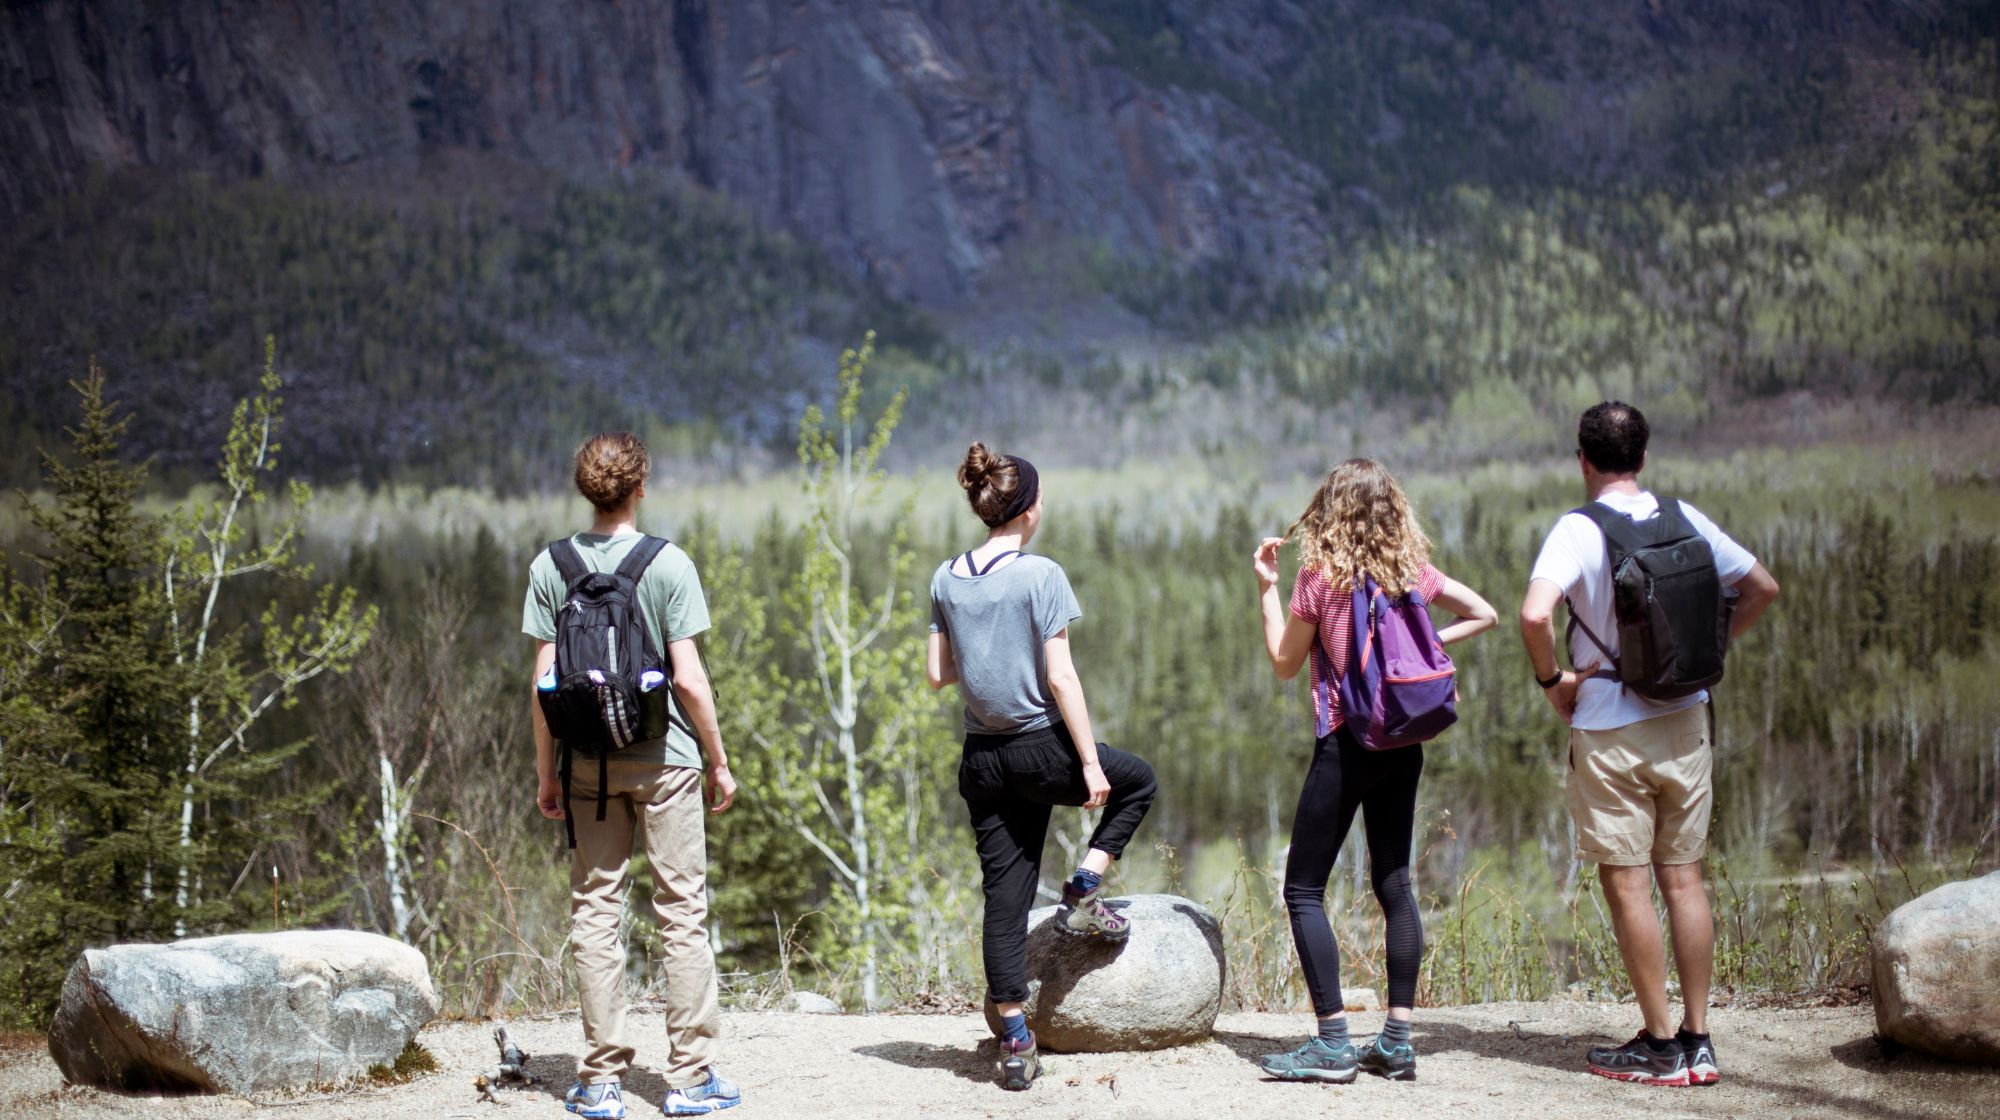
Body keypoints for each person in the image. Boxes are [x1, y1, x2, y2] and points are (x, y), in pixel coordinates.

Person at [1518, 402, 1779, 1087]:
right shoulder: (1685, 517)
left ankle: (1660, 1045)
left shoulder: (1578, 531)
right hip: (1686, 717)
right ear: (1643, 456)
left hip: (1608, 725)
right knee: (1684, 877)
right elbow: (1761, 588)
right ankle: (1698, 1039)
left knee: (1628, 881)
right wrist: (1704, 650)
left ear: (1583, 459)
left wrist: (1554, 681)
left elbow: (1533, 613)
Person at [1250, 458, 1498, 1085]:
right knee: (1395, 884)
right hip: (1402, 741)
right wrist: (1428, 650)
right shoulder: (1408, 569)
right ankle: (1396, 1041)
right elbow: (1486, 613)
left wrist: (1264, 589)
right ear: (1392, 508)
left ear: (1329, 512)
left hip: (1346, 740)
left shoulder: (1317, 577)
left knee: (1302, 889)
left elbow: (1285, 664)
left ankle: (1333, 1043)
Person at [925, 442, 1159, 1092]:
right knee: (1136, 780)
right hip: (1039, 746)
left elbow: (937, 675)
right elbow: (1061, 676)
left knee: (1004, 900)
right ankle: (1085, 888)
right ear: (1026, 510)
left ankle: (1017, 1040)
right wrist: (1088, 762)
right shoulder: (1041, 574)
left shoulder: (945, 577)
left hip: (982, 759)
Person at [522, 432, 742, 1118]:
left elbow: (542, 686)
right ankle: (690, 1077)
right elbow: (690, 679)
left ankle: (599, 1081)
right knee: (681, 912)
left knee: (595, 913)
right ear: (640, 487)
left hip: (587, 763)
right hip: (666, 760)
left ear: (586, 491)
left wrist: (547, 774)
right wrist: (718, 757)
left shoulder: (550, 566)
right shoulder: (668, 564)